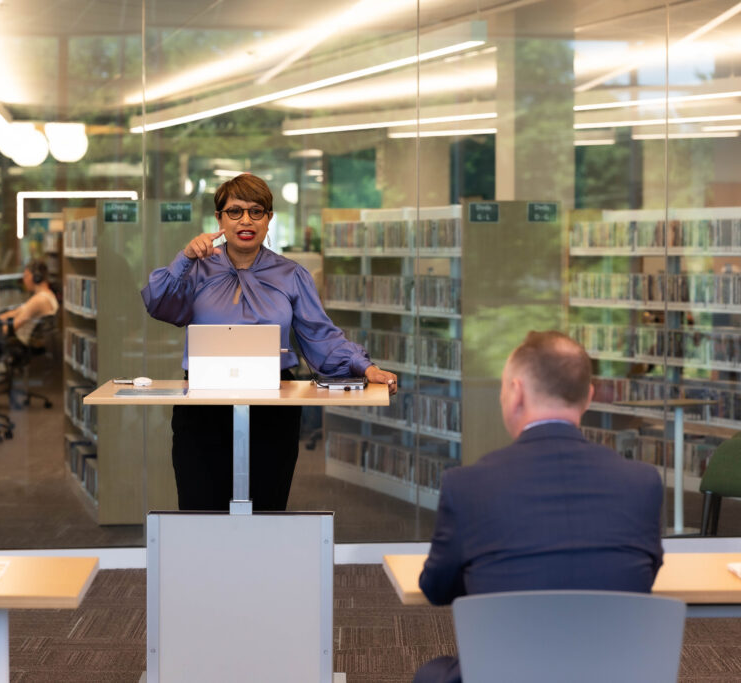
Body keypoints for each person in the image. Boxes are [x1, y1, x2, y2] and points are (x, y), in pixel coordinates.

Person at [414, 330, 664, 683]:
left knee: (431, 675)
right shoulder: (642, 483)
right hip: (612, 673)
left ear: (516, 393)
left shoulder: (467, 485)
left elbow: (436, 589)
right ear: (589, 397)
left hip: (505, 673)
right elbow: (641, 579)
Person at [141, 173, 397, 511]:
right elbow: (158, 303)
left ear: (269, 219)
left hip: (274, 406)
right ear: (218, 219)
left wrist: (366, 367)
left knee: (266, 506)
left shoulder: (291, 274)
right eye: (234, 211)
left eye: (256, 211)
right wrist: (184, 258)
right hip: (203, 405)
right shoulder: (195, 269)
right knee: (200, 506)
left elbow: (320, 335)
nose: (245, 220)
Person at [0, 258, 59, 352]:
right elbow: (17, 311)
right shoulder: (46, 295)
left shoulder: (39, 300)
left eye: (26, 275)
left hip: (22, 346)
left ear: (36, 277)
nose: (24, 279)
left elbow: (13, 326)